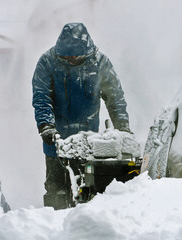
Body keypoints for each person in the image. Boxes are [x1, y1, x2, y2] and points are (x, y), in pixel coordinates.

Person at [32, 22, 131, 210]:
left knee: (90, 187)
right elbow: (41, 97)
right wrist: (46, 125)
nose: (72, 59)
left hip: (88, 138)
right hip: (56, 138)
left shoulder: (100, 63)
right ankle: (54, 225)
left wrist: (122, 128)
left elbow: (114, 97)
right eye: (67, 57)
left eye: (76, 57)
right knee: (56, 189)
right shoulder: (47, 62)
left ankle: (87, 225)